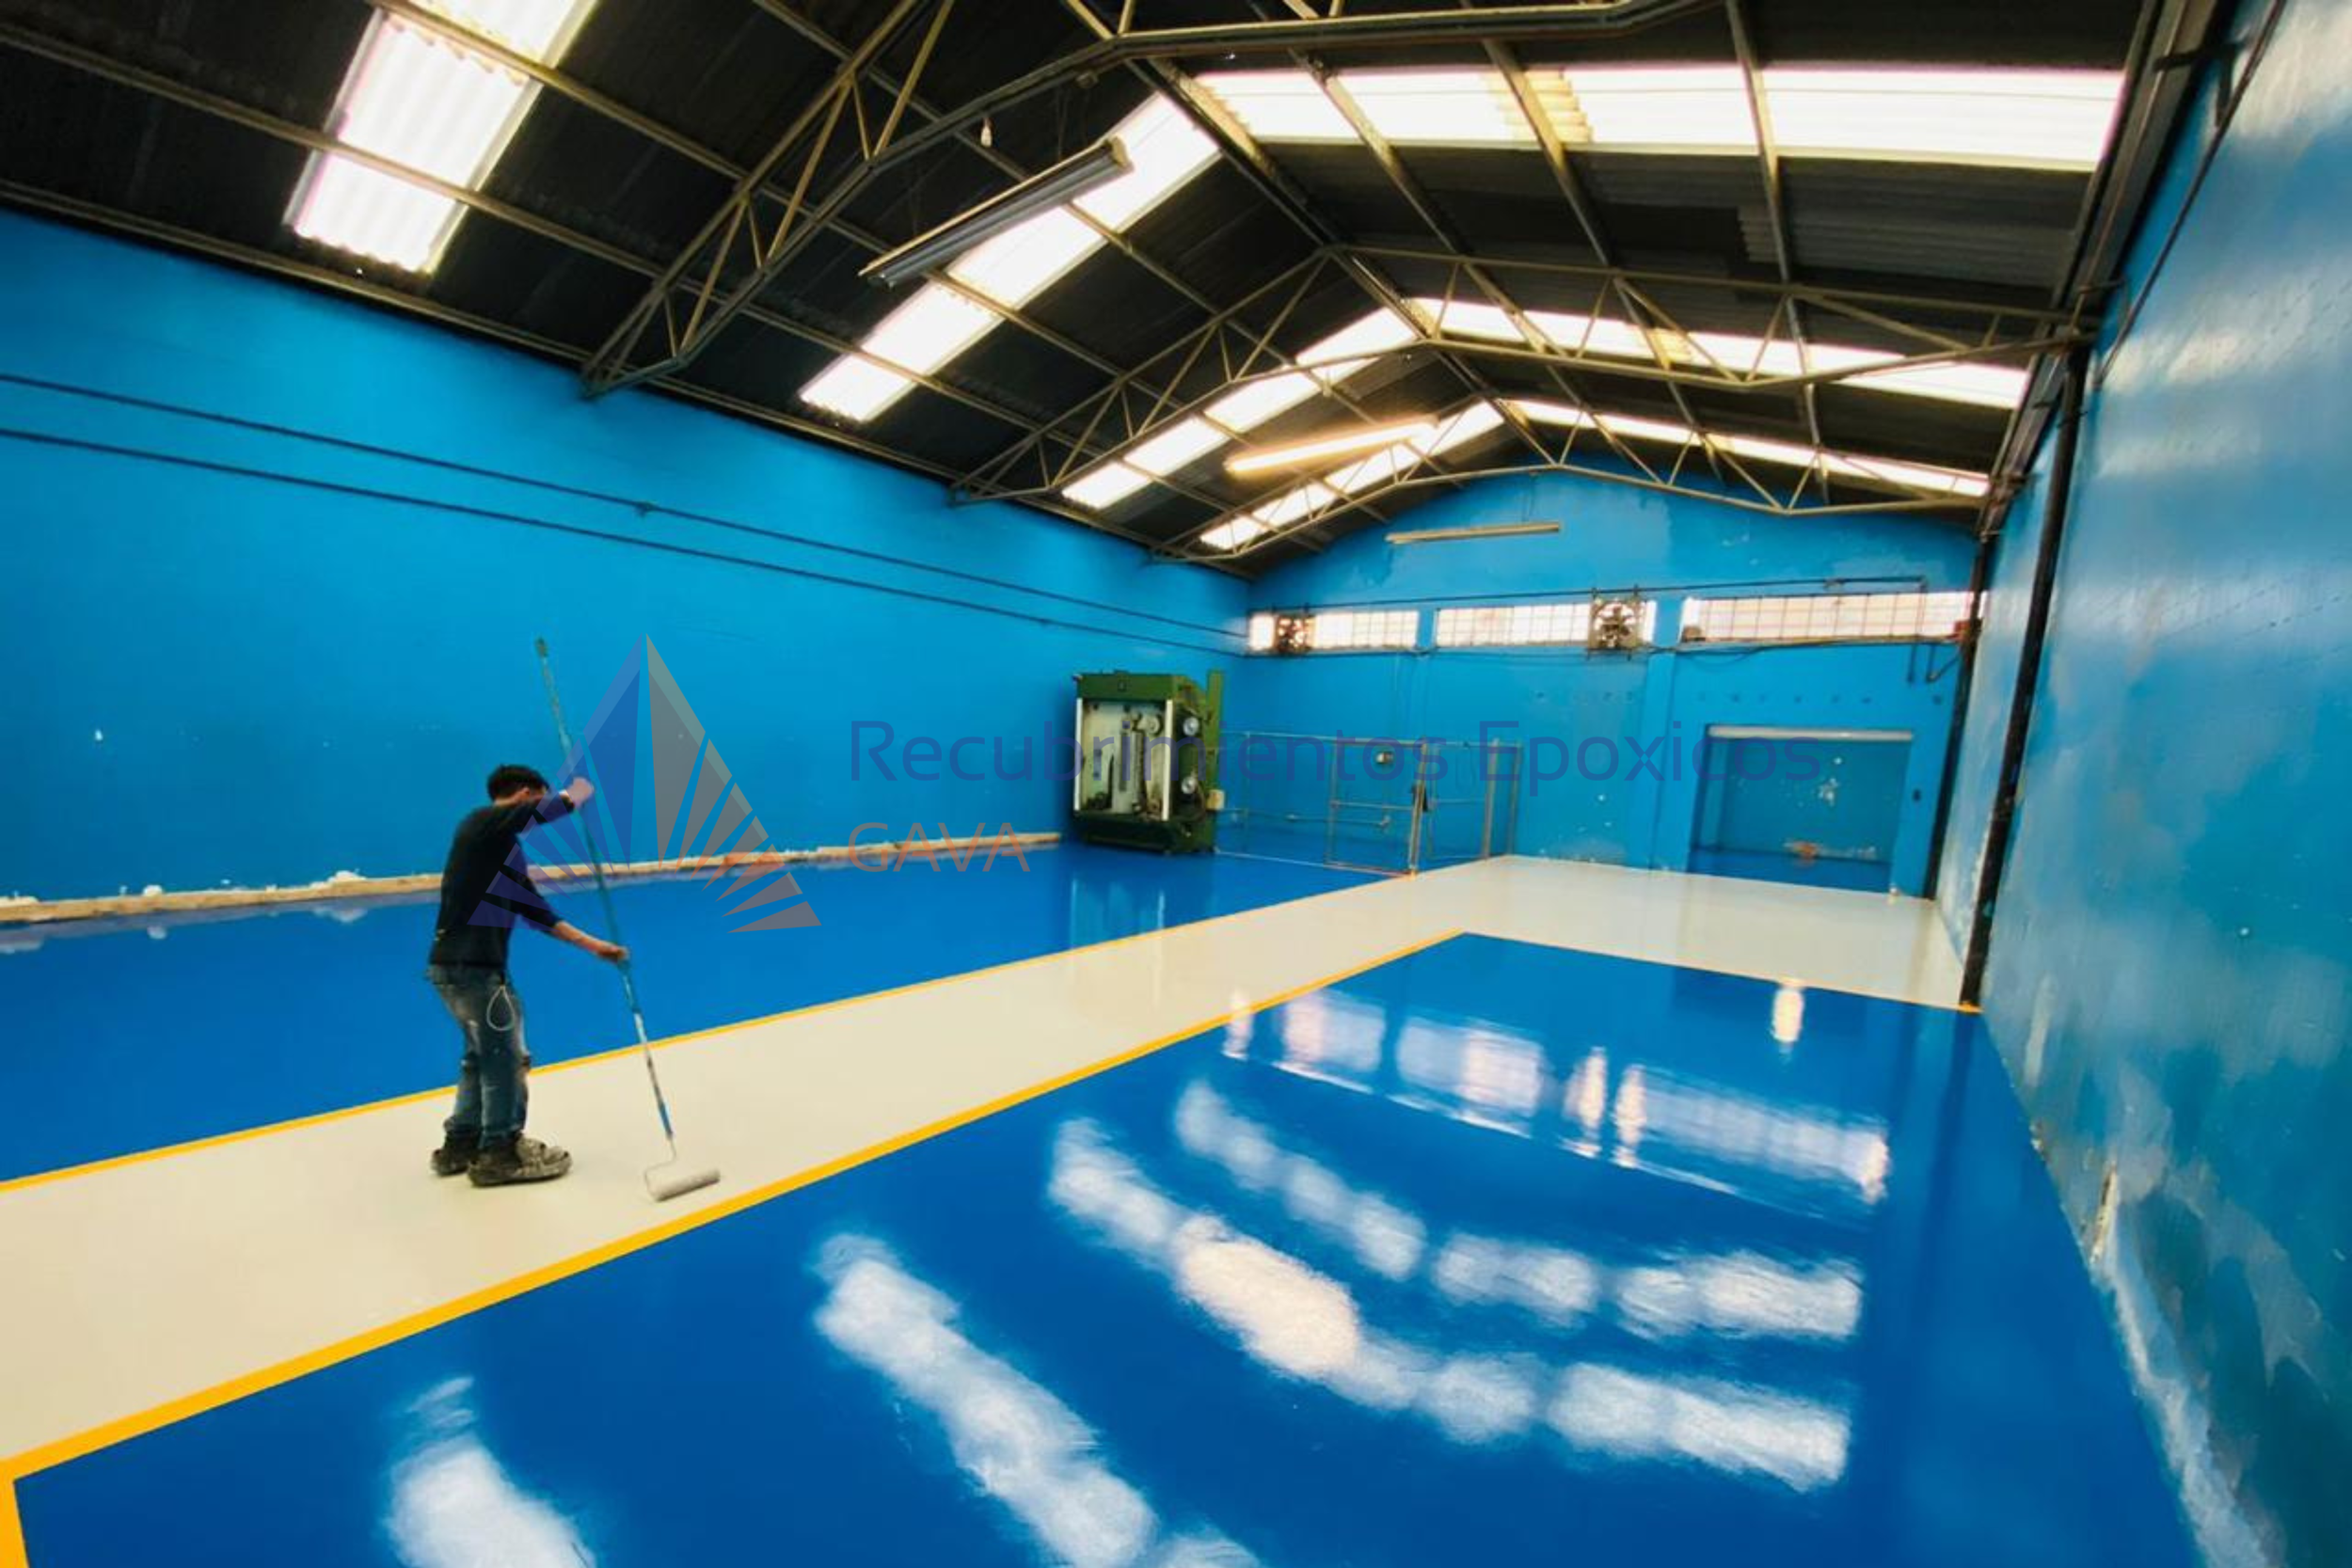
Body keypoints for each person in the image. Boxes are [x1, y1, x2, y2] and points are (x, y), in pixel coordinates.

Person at [424, 764, 627, 1186]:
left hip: (457, 970)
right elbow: (537, 813)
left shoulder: (498, 849)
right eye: (538, 798)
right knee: (505, 1060)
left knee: (480, 1058)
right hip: (474, 972)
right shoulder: (481, 824)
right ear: (521, 795)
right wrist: (575, 795)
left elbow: (534, 910)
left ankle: (461, 1143)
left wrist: (595, 946)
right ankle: (500, 1151)